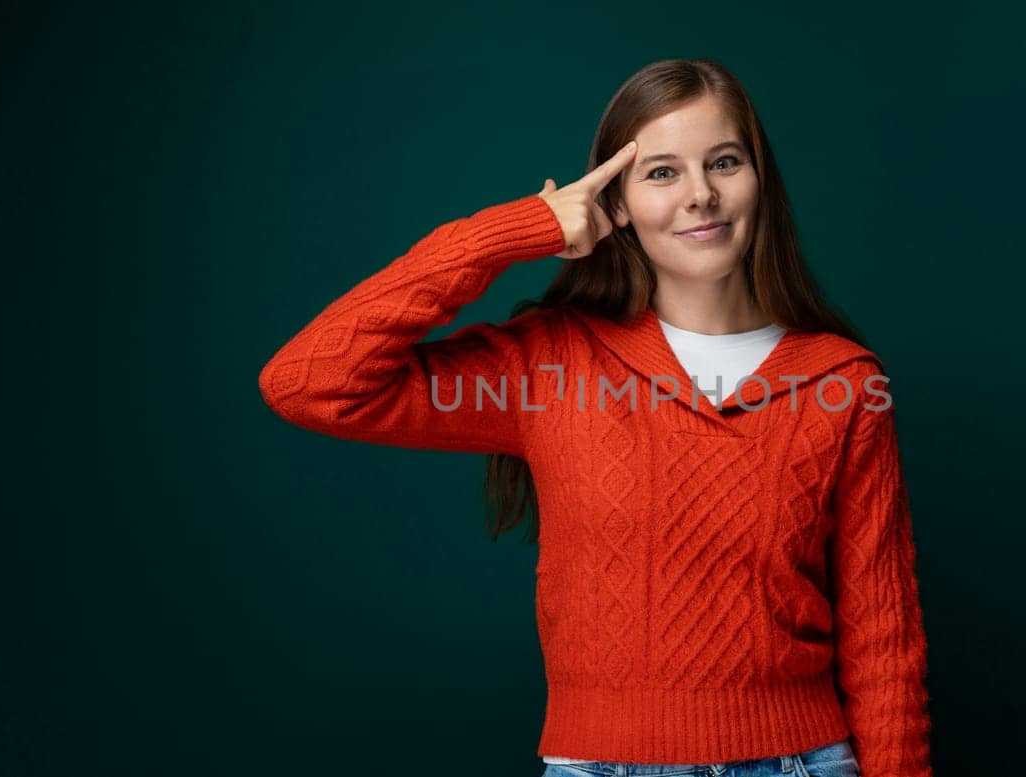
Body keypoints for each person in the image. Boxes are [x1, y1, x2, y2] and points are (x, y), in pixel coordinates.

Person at [258, 58, 931, 777]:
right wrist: (516, 231)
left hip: (800, 761)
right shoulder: (549, 363)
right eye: (662, 172)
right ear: (618, 201)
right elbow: (310, 381)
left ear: (760, 179)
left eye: (724, 162)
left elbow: (883, 639)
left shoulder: (844, 382)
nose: (700, 195)